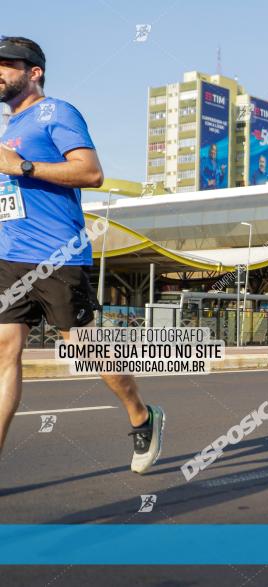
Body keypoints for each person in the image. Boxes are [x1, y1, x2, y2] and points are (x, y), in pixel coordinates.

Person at [0, 37, 164, 472]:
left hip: (56, 255)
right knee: (4, 352)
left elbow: (91, 172)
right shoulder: (8, 129)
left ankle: (142, 415)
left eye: (7, 64)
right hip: (8, 256)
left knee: (82, 347)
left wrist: (21, 166)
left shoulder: (58, 113)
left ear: (34, 72)